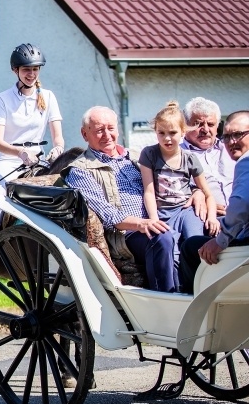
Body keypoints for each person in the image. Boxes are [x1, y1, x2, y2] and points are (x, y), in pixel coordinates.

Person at [64, 106, 179, 293]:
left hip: (162, 218)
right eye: (100, 130)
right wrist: (142, 224)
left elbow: (172, 181)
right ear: (85, 134)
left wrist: (199, 194)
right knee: (161, 237)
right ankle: (166, 301)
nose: (107, 135)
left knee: (195, 237)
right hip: (126, 236)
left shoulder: (138, 156)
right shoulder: (79, 170)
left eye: (111, 128)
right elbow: (109, 215)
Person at [0, 43, 64, 243]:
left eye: (35, 69)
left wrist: (58, 148)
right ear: (15, 70)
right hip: (7, 162)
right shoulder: (2, 99)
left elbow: (58, 136)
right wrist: (20, 153)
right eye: (26, 69)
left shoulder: (48, 96)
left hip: (39, 160)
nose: (31, 74)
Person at [180, 111, 249, 292]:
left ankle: (193, 304)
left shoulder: (246, 161)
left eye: (238, 134)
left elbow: (242, 203)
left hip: (244, 249)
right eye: (226, 136)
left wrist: (220, 241)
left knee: (190, 247)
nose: (231, 142)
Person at [138, 103, 220, 248]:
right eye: (161, 133)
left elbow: (208, 194)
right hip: (163, 212)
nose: (167, 138)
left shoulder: (189, 158)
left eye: (172, 133)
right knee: (172, 251)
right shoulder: (149, 154)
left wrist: (212, 217)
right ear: (155, 132)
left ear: (183, 131)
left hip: (186, 211)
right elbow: (149, 192)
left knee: (195, 242)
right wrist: (154, 218)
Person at [181, 97, 234, 216]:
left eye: (210, 124)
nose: (205, 130)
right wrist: (204, 203)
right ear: (185, 126)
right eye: (198, 124)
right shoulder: (176, 155)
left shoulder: (231, 149)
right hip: (205, 222)